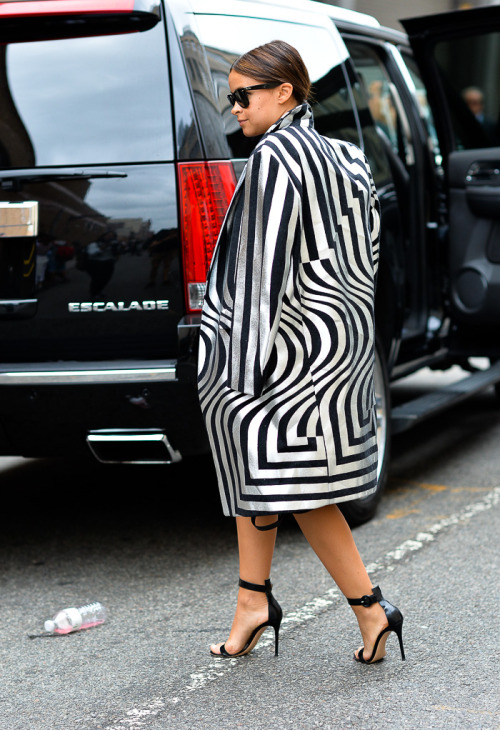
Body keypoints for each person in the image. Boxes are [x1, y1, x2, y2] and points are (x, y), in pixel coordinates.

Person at [198, 40, 405, 665]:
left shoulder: (274, 159)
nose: (233, 107)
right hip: (338, 339)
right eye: (229, 96)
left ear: (284, 92)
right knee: (265, 464)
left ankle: (371, 607)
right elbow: (366, 254)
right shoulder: (347, 156)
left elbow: (260, 271)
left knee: (296, 479)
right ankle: (253, 601)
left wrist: (237, 358)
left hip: (286, 345)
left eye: (243, 95)